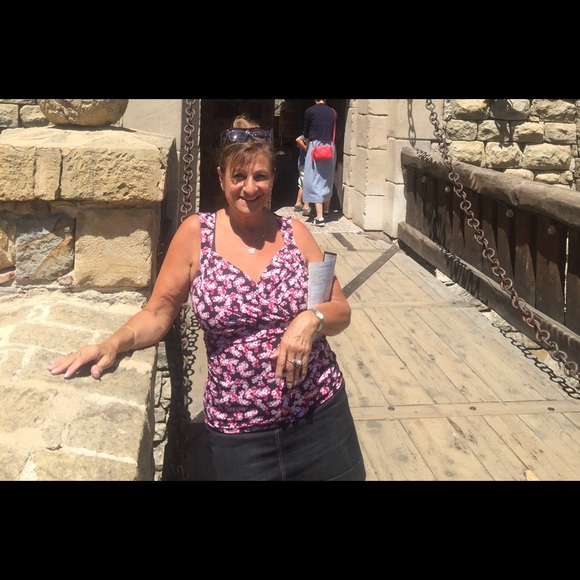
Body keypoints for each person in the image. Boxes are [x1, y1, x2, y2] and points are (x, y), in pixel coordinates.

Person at [47, 121, 366, 482]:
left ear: (273, 178)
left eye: (260, 176)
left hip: (320, 418)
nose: (249, 188)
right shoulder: (196, 234)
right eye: (238, 176)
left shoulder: (296, 234)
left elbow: (340, 309)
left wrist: (311, 319)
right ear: (221, 177)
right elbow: (158, 312)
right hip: (241, 436)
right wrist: (111, 344)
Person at [301, 99, 336, 226]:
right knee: (327, 178)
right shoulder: (333, 112)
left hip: (315, 147)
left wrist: (306, 144)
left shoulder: (310, 111)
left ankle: (319, 217)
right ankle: (326, 209)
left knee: (313, 179)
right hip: (330, 147)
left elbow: (306, 133)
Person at [293, 134, 307, 212]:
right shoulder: (309, 133)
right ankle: (306, 206)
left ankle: (298, 203)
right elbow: (298, 140)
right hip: (304, 163)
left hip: (303, 163)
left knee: (302, 184)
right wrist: (306, 148)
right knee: (305, 184)